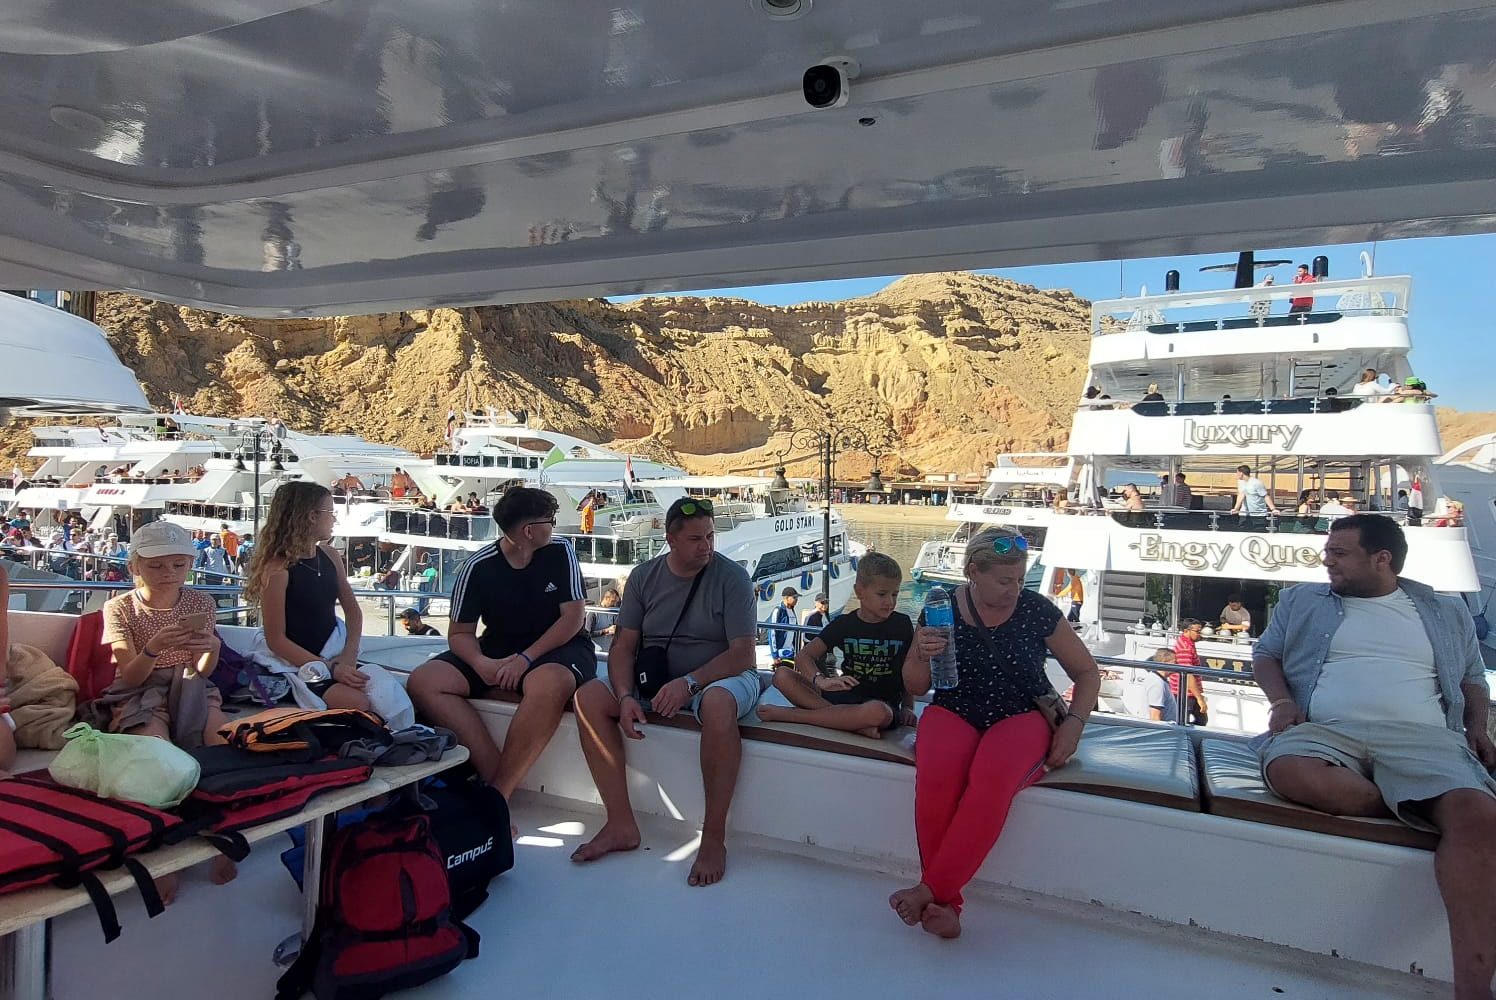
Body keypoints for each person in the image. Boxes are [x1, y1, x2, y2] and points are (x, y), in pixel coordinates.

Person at [1253, 514, 1496, 1000]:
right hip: (1324, 731)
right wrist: (1281, 702)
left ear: (1381, 559)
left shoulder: (1445, 610)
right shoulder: (1301, 600)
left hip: (1424, 740)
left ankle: (1472, 990)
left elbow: (1473, 679)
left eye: (1339, 553)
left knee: (1480, 816)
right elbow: (1266, 654)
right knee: (1292, 771)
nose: (1327, 560)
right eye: (1328, 551)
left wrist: (1476, 729)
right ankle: (1416, 802)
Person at [890, 527, 1100, 939]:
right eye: (1005, 581)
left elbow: (1087, 672)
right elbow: (916, 685)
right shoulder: (940, 607)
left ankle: (932, 893)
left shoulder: (1037, 610)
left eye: (1020, 579)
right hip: (955, 707)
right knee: (936, 779)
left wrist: (1074, 725)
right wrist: (919, 652)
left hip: (1021, 714)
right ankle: (946, 905)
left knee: (992, 778)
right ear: (973, 572)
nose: (1015, 590)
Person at [570, 496, 759, 887]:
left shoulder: (733, 578)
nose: (706, 546)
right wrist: (625, 696)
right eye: (695, 539)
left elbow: (743, 654)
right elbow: (623, 646)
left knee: (718, 704)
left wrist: (690, 683)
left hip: (720, 675)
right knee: (588, 697)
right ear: (670, 540)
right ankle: (620, 824)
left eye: (710, 536)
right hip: (657, 677)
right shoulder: (644, 577)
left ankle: (713, 837)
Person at [407, 487, 594, 804]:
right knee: (425, 681)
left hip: (559, 646)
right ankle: (495, 777)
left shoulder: (561, 552)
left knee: (549, 683)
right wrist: (481, 664)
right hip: (499, 647)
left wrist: (525, 659)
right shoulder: (478, 566)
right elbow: (460, 633)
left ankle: (498, 795)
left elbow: (573, 618)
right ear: (529, 531)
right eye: (550, 520)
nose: (554, 526)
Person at [93, 522, 233, 894]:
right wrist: (153, 648)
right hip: (141, 690)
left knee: (224, 749)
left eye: (178, 564)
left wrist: (212, 650)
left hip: (191, 683)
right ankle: (161, 853)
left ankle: (223, 832)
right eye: (156, 565)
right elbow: (131, 677)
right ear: (135, 566)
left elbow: (202, 672)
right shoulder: (119, 608)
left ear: (190, 564)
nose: (168, 573)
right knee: (157, 763)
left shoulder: (201, 603)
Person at [244, 482, 372, 713]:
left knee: (385, 694)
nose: (334, 519)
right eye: (330, 512)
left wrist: (349, 655)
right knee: (359, 703)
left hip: (334, 656)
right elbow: (276, 640)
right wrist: (331, 669)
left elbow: (353, 612)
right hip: (295, 663)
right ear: (312, 516)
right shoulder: (277, 571)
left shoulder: (331, 556)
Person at [757, 553, 914, 739]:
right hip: (844, 696)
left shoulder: (902, 625)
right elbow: (803, 656)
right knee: (782, 675)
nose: (890, 601)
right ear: (860, 592)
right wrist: (821, 680)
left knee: (879, 712)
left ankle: (796, 716)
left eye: (894, 594)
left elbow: (908, 669)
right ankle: (850, 723)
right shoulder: (844, 624)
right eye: (882, 594)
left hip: (882, 704)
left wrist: (908, 707)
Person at [1123, 649, 1180, 722]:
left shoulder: (1159, 680)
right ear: (1164, 662)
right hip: (1163, 727)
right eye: (1175, 662)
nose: (1177, 665)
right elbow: (1154, 716)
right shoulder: (1157, 683)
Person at [1171, 620, 1210, 725]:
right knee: (1189, 722)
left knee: (1200, 720)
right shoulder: (1185, 648)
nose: (1199, 634)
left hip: (1186, 692)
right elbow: (1188, 675)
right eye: (1197, 631)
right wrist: (1199, 698)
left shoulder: (1187, 643)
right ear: (1186, 631)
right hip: (1184, 693)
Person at [767, 586, 800, 661]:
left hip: (790, 652)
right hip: (780, 653)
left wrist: (797, 650)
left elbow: (795, 632)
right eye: (794, 597)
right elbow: (772, 633)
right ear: (786, 598)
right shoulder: (778, 611)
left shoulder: (792, 611)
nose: (796, 600)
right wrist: (775, 655)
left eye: (797, 598)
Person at [586, 587, 621, 654]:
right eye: (613, 601)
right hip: (596, 653)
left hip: (609, 651)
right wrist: (605, 631)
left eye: (616, 602)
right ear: (606, 598)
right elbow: (587, 634)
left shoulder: (612, 612)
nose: (614, 604)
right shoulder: (593, 613)